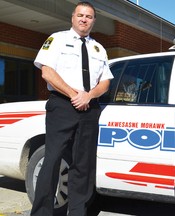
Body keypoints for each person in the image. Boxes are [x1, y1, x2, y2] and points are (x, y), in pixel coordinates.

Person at [31, 1, 113, 216]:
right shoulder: (57, 39)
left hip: (90, 108)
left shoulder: (98, 48)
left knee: (83, 165)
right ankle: (41, 213)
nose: (84, 19)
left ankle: (78, 212)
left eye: (89, 16)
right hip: (62, 105)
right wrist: (74, 94)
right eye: (80, 15)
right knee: (52, 160)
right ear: (73, 18)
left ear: (94, 21)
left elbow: (105, 83)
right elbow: (47, 72)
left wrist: (88, 96)